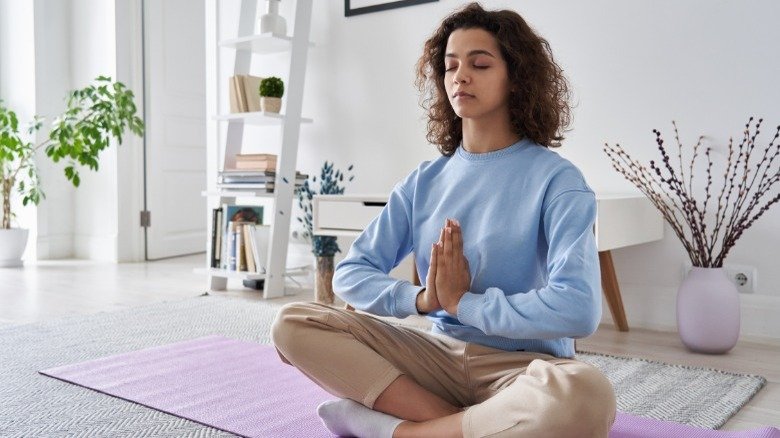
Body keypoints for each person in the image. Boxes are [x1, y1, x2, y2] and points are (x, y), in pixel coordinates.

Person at [271, 2, 617, 437]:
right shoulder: (424, 181)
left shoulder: (558, 180)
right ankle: (459, 425)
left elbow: (578, 309)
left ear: (517, 78)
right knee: (293, 323)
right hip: (434, 356)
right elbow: (352, 274)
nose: (460, 76)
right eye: (451, 66)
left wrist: (464, 303)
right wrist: (423, 301)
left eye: (480, 64)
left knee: (586, 392)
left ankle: (400, 430)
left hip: (524, 369)